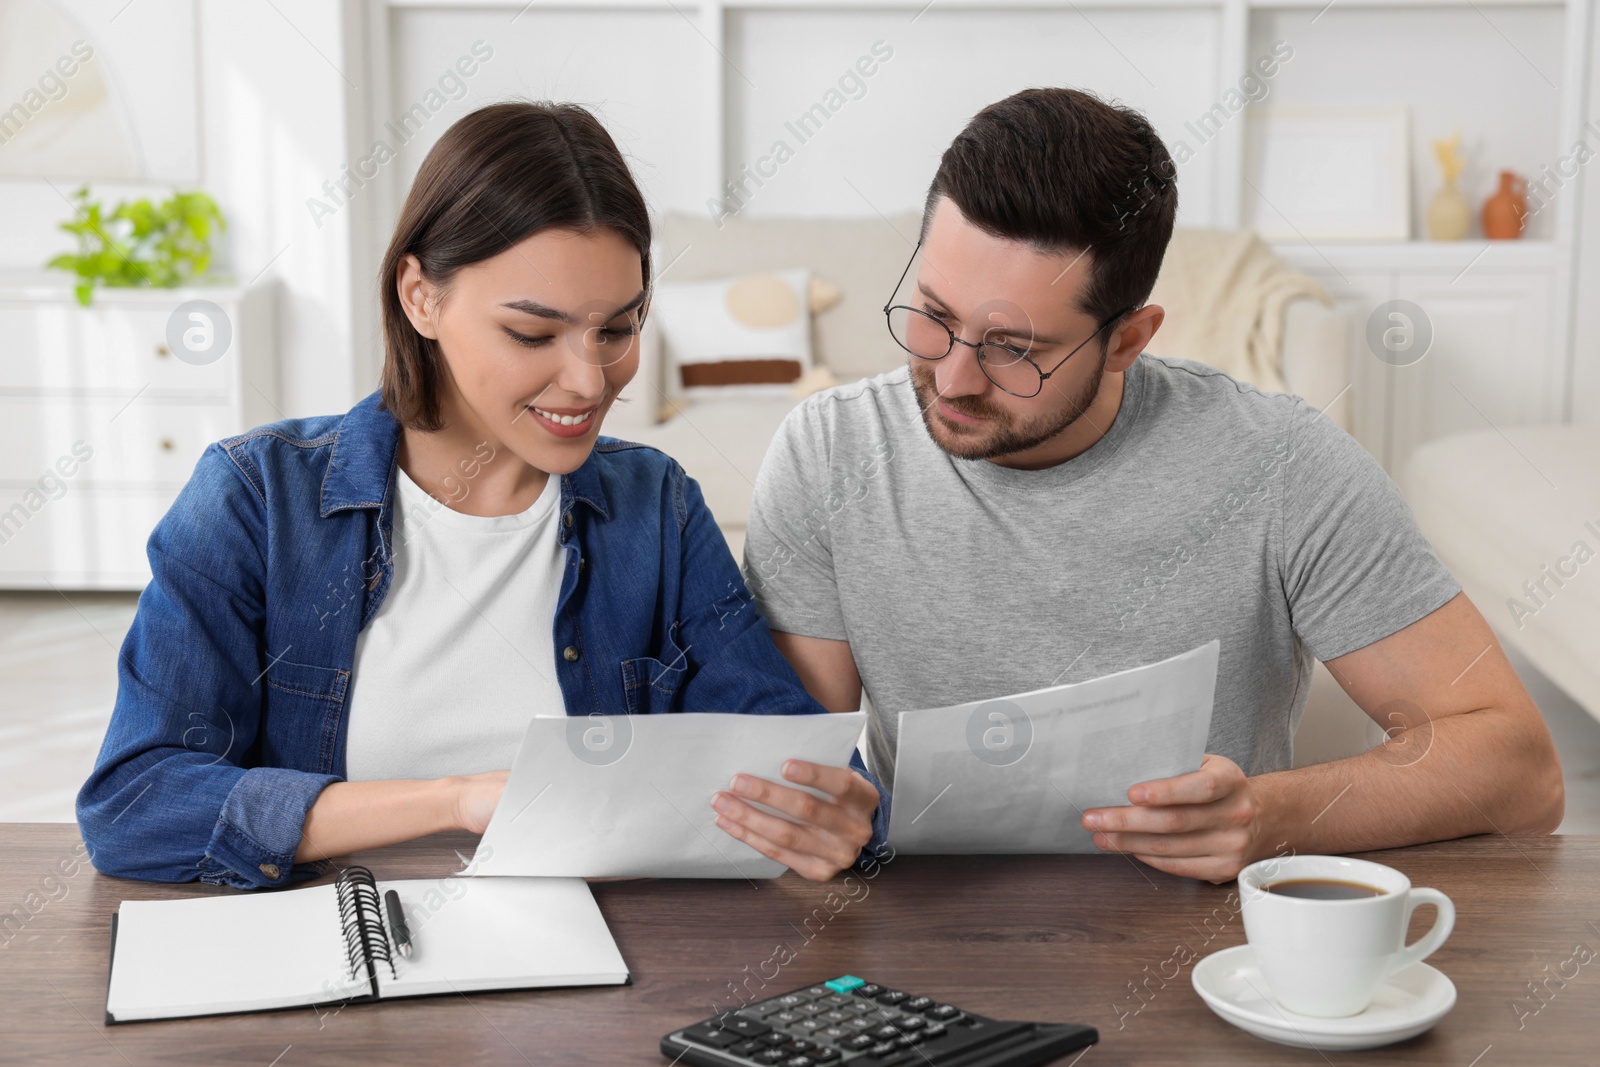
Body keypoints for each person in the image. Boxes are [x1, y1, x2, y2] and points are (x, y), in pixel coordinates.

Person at [743, 87, 1564, 883]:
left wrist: (1274, 815)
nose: (952, 379)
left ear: (1128, 338)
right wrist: (815, 818)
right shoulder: (829, 454)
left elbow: (1523, 774)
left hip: (1203, 951)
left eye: (1013, 349)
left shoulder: (1281, 464)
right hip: (924, 945)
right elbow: (794, 767)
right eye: (933, 315)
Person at [77, 101, 883, 890]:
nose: (588, 379)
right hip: (346, 977)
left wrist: (836, 812)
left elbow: (793, 764)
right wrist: (456, 801)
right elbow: (134, 803)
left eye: (617, 328)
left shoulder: (657, 508)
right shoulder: (256, 498)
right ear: (420, 296)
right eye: (533, 334)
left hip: (600, 985)